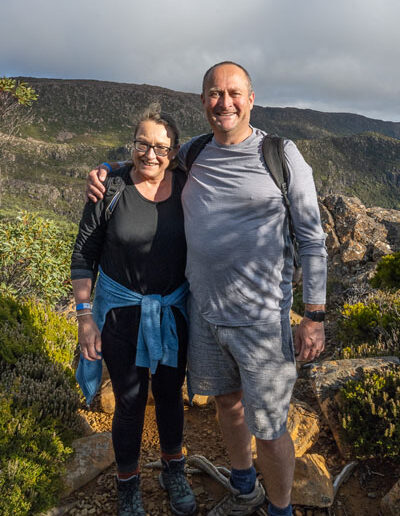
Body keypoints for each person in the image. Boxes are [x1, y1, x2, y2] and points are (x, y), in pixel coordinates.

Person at [87, 62, 327, 516]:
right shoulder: (194, 152)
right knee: (226, 402)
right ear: (203, 102)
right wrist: (104, 170)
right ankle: (243, 488)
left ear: (251, 99)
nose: (225, 102)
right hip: (202, 312)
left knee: (272, 426)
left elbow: (312, 238)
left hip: (261, 319)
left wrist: (313, 316)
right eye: (214, 94)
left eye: (234, 93)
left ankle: (280, 509)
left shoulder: (280, 154)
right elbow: (149, 160)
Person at [71, 105, 196, 516]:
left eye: (161, 147)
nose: (150, 154)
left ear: (174, 150)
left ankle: (173, 469)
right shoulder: (111, 187)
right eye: (143, 144)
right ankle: (128, 483)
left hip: (172, 312)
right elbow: (84, 253)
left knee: (169, 396)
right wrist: (85, 316)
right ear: (132, 144)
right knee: (129, 399)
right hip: (119, 314)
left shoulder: (187, 184)